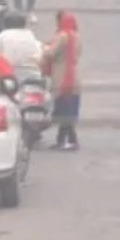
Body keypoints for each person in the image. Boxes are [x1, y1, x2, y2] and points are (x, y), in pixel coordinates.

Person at [42, 11, 82, 151]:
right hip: (74, 78)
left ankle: (66, 141)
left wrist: (44, 48)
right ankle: (67, 140)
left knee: (63, 111)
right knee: (69, 111)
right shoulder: (76, 36)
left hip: (62, 77)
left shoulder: (62, 36)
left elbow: (50, 53)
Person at [0, 12, 45, 79]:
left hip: (10, 75)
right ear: (24, 23)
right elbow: (40, 52)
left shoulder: (3, 35)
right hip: (33, 75)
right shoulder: (29, 34)